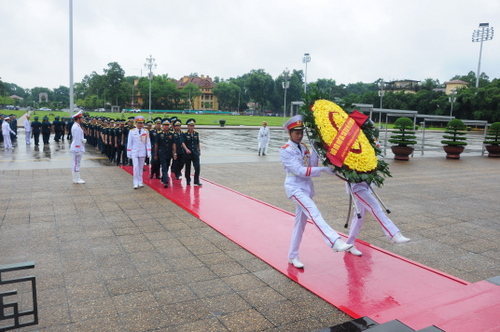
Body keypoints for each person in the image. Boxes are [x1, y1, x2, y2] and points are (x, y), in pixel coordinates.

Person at [280, 114, 352, 269]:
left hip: (305, 188)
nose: (299, 136)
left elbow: (312, 164)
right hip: (294, 187)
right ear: (290, 133)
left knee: (299, 226)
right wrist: (324, 170)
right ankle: (334, 241)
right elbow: (299, 170)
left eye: (301, 133)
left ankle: (292, 256)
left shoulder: (304, 147)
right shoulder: (285, 150)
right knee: (314, 211)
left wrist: (315, 148)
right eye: (296, 133)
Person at [127, 115, 151, 189]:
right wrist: (129, 153)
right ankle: (135, 182)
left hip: (142, 152)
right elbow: (129, 143)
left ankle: (140, 181)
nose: (140, 124)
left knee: (141, 167)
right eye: (138, 123)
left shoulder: (146, 131)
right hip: (134, 151)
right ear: (136, 123)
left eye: (141, 123)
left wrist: (149, 152)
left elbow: (148, 142)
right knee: (136, 167)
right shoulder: (132, 131)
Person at [155, 119, 176, 188]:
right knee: (164, 167)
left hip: (169, 153)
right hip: (162, 153)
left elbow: (173, 144)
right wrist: (155, 154)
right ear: (162, 126)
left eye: (167, 125)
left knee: (167, 166)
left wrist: (174, 153)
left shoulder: (171, 134)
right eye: (164, 125)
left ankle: (164, 177)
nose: (166, 127)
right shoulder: (159, 134)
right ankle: (166, 182)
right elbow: (156, 144)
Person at [181, 118, 202, 186]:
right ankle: (188, 180)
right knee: (188, 167)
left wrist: (199, 150)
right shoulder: (184, 134)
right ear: (187, 126)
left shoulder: (196, 133)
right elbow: (183, 142)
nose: (191, 127)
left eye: (192, 126)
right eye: (190, 126)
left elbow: (197, 142)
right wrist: (186, 149)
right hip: (188, 153)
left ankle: (196, 181)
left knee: (197, 167)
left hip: (195, 153)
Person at [70, 111, 86, 184]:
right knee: (76, 163)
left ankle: (76, 178)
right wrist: (78, 149)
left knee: (77, 163)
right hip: (77, 147)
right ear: (78, 119)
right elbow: (76, 139)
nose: (82, 119)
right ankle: (77, 179)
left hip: (78, 146)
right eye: (81, 118)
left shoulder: (77, 126)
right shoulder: (76, 127)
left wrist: (82, 140)